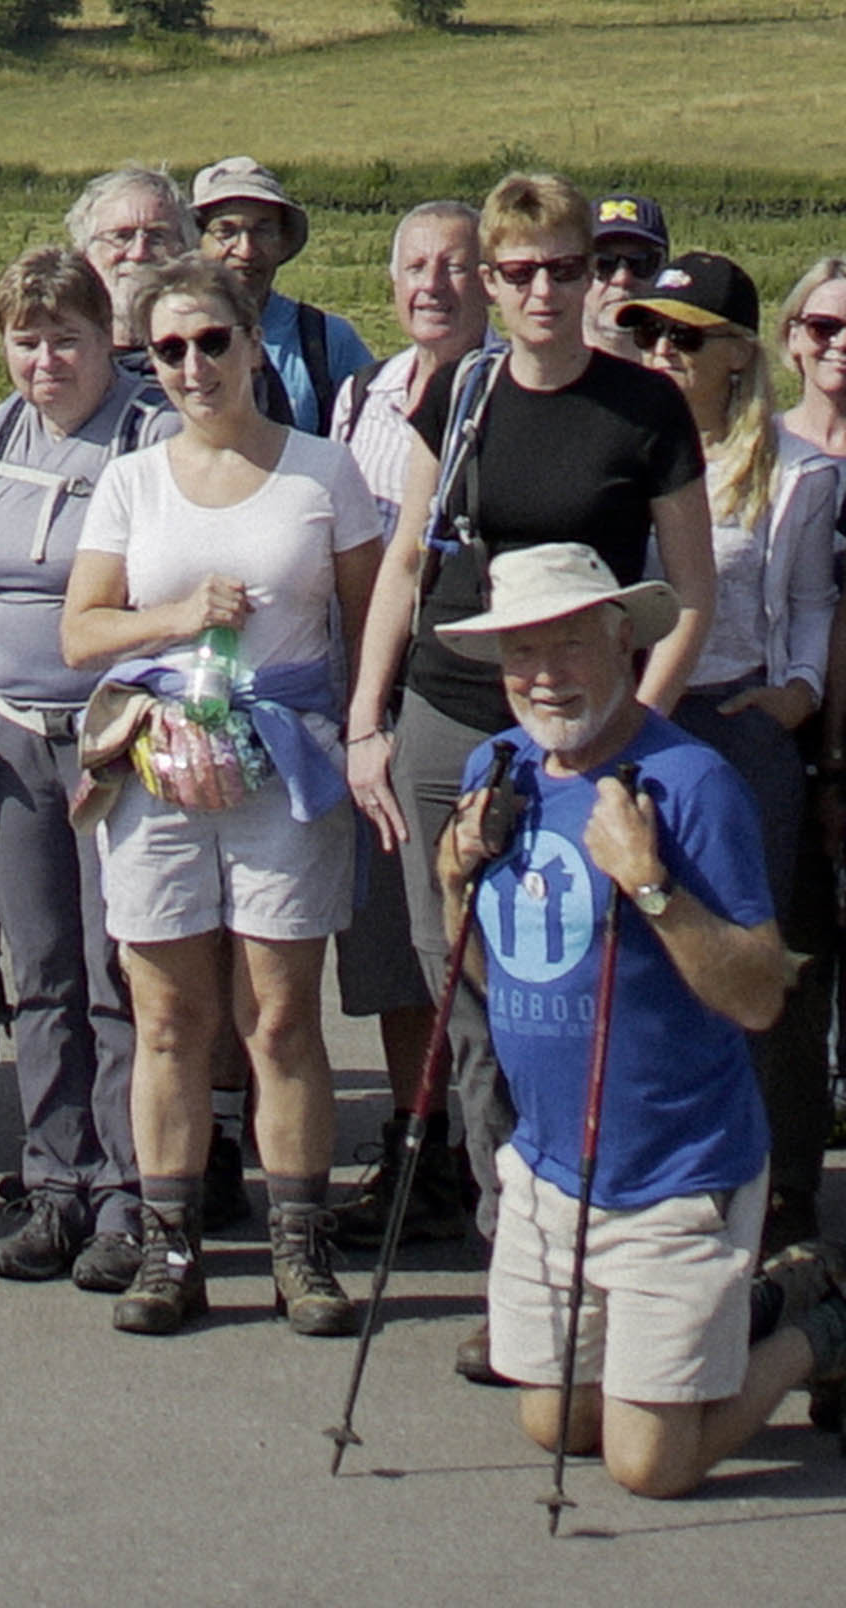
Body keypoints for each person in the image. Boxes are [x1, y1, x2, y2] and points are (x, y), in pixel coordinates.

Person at [346, 170, 715, 1379]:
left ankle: (615, 1265)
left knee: (579, 991)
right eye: (520, 273)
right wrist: (367, 719)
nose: (546, 292)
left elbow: (691, 597)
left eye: (566, 268)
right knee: (469, 1000)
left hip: (586, 723)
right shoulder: (459, 395)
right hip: (452, 724)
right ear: (492, 284)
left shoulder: (646, 408)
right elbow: (406, 562)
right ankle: (524, 1274)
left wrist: (628, 738)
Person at [432, 546, 846, 1500]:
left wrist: (651, 885)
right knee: (552, 1423)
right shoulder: (495, 769)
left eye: (568, 643)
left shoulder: (692, 784)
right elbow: (490, 970)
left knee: (648, 1466)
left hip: (678, 1170)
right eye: (520, 652)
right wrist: (456, 876)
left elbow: (757, 997)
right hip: (551, 1171)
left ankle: (812, 1333)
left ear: (624, 639)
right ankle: (759, 1300)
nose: (542, 674)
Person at [58, 253, 380, 1336]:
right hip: (158, 772)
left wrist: (357, 734)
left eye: (213, 342)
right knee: (168, 1020)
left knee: (281, 1017)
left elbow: (369, 626)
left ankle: (301, 1246)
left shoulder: (321, 473)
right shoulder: (133, 479)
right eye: (169, 350)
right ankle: (171, 1246)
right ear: (148, 365)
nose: (194, 367)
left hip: (282, 767)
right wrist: (179, 616)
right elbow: (82, 630)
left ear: (251, 343)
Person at [0, 246, 162, 1289]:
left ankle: (125, 1197)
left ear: (104, 336)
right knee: (37, 975)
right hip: (11, 735)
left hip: (115, 740)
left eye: (63, 339)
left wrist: (130, 735)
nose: (43, 362)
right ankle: (54, 1185)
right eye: (24, 341)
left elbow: (171, 596)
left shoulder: (147, 434)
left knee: (115, 975)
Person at [617, 251, 838, 1243]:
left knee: (764, 962)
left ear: (739, 358)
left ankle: (783, 1184)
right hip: (634, 716)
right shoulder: (624, 446)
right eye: (648, 334)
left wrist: (790, 703)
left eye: (685, 338)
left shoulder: (797, 475)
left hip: (738, 717)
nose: (662, 353)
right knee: (648, 951)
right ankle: (670, 1176)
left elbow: (806, 609)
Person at [324, 198, 485, 1247]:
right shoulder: (359, 398)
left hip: (477, 696)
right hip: (382, 694)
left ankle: (487, 1144)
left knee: (476, 940)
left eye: (456, 266)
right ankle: (418, 1136)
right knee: (395, 943)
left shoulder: (503, 388)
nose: (432, 283)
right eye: (415, 265)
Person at [775, 250, 846, 1237]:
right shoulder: (765, 454)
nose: (837, 345)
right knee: (792, 980)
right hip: (785, 746)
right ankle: (788, 1191)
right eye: (823, 327)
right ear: (790, 338)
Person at [188, 157, 373, 435]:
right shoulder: (169, 341)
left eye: (263, 230)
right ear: (196, 241)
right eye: (226, 231)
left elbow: (373, 435)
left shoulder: (327, 340)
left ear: (283, 242)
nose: (246, 250)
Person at [64, 166, 192, 368]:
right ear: (84, 253)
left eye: (157, 236)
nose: (138, 253)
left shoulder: (210, 356)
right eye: (122, 236)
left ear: (186, 249)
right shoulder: (60, 358)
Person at [587, 191, 671, 362]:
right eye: (604, 263)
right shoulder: (542, 371)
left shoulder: (692, 379)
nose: (622, 279)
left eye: (642, 263)